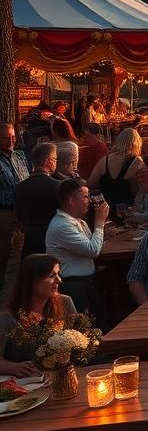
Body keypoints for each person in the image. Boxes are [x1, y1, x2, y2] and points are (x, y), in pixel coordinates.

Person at [0, 253, 78, 377]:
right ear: (32, 280)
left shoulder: (65, 302)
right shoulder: (7, 318)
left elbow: (80, 339)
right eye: (52, 275)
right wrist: (13, 367)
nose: (59, 280)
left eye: (58, 274)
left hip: (62, 376)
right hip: (23, 382)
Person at [44, 178, 108, 325]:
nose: (89, 200)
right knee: (83, 327)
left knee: (100, 324)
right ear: (71, 200)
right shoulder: (62, 225)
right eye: (85, 196)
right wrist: (99, 223)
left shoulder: (78, 221)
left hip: (85, 283)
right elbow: (93, 250)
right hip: (73, 286)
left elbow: (94, 244)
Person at [14, 142, 60, 257]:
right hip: (54, 239)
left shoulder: (20, 187)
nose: (56, 162)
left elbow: (19, 218)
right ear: (46, 161)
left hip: (30, 241)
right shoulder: (58, 186)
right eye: (54, 159)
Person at [0, 121, 30, 291]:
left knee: (21, 256)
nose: (11, 140)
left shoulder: (20, 156)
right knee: (3, 255)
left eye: (13, 137)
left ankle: (16, 294)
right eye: (6, 138)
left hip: (24, 214)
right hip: (5, 213)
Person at [88, 127, 144, 209]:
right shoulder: (137, 161)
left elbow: (91, 184)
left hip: (106, 208)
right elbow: (141, 188)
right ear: (137, 143)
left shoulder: (104, 160)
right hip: (127, 208)